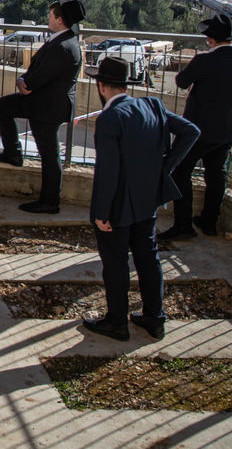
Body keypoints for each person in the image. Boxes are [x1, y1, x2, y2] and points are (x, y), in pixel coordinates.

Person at [82, 56, 199, 341]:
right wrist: (163, 168)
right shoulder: (152, 105)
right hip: (148, 201)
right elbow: (191, 131)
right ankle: (154, 318)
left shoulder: (110, 118)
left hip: (118, 205)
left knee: (116, 263)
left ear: (100, 86)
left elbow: (107, 172)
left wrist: (101, 212)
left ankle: (116, 322)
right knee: (149, 259)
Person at [0, 0, 85, 213]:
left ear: (60, 20)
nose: (48, 18)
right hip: (40, 102)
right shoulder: (63, 40)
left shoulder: (63, 45)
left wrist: (25, 82)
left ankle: (50, 201)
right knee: (4, 106)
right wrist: (25, 80)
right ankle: (13, 152)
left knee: (49, 154)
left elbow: (43, 74)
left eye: (51, 15)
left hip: (47, 107)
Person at [164, 13, 232, 239]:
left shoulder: (204, 60)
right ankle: (209, 222)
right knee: (216, 174)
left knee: (180, 172)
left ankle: (183, 226)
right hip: (227, 129)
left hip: (198, 130)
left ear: (210, 39)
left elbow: (181, 81)